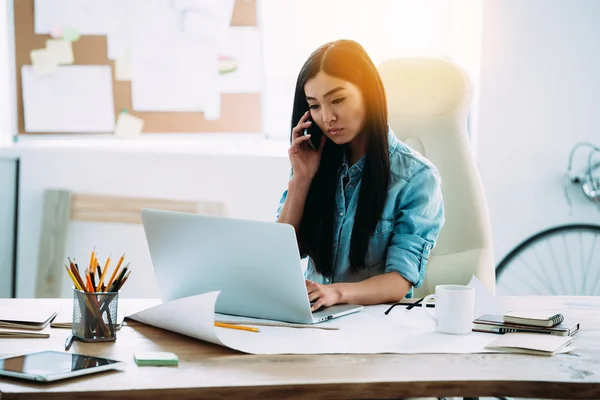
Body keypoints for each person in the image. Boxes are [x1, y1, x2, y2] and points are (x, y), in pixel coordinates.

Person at [276, 39, 444, 312]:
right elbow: (279, 255)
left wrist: (334, 293)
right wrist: (301, 180)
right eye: (315, 106)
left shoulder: (417, 177)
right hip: (313, 322)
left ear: (367, 93)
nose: (327, 117)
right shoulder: (313, 164)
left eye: (337, 100)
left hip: (375, 327)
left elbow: (400, 280)